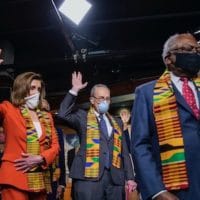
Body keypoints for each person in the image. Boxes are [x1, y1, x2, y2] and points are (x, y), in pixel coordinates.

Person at [131, 33, 200, 200]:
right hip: (177, 187)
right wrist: (157, 191)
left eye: (197, 50)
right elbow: (140, 145)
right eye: (188, 50)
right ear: (169, 58)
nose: (195, 54)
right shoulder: (147, 93)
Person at [58, 71, 137, 200]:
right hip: (88, 179)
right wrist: (74, 90)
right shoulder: (82, 117)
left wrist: (130, 178)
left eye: (107, 98)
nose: (105, 101)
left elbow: (124, 151)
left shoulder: (117, 122)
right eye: (101, 98)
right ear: (92, 100)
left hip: (115, 179)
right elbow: (62, 114)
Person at [0, 71, 59, 200]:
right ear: (22, 88)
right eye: (32, 88)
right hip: (14, 176)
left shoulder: (47, 116)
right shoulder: (8, 109)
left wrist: (40, 158)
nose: (36, 92)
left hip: (39, 179)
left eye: (39, 89)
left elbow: (55, 146)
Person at [41, 99, 66, 200]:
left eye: (46, 110)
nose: (44, 113)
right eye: (41, 109)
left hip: (53, 179)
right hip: (34, 178)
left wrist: (62, 183)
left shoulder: (57, 131)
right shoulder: (28, 128)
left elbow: (61, 157)